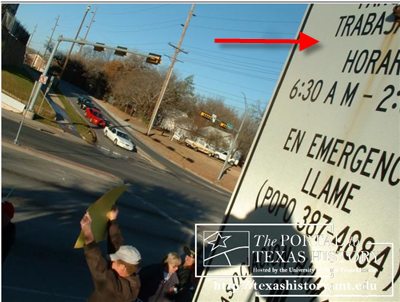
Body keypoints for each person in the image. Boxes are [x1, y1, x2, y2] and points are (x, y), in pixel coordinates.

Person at [80, 206, 141, 302]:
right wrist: (113, 221)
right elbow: (117, 246)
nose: (111, 262)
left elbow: (98, 267)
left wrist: (88, 234)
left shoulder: (115, 291)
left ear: (122, 267)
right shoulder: (131, 277)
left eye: (115, 262)